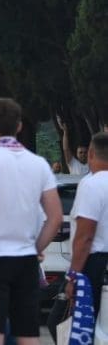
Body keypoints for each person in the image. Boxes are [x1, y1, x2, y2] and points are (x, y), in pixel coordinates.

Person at [0, 98, 62, 345]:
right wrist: (35, 248)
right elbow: (55, 217)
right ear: (19, 126)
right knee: (28, 333)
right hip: (26, 260)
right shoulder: (39, 164)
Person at [67, 130, 108, 316]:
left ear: (91, 153)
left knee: (81, 324)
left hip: (93, 265)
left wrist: (73, 276)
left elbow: (85, 236)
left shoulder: (91, 184)